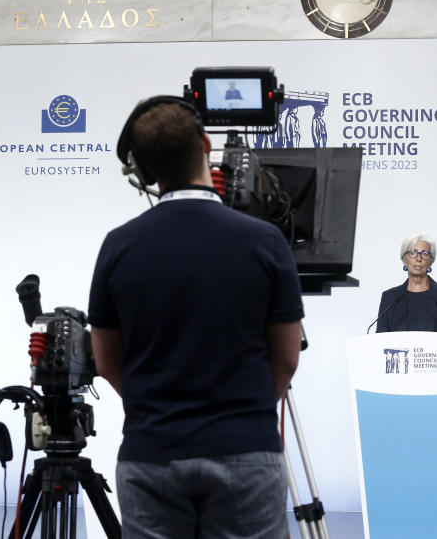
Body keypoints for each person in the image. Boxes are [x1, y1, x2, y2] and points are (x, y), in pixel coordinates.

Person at [88, 96, 304, 539]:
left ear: (144, 171)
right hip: (246, 451)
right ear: (206, 145)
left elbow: (107, 362)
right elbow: (286, 360)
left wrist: (157, 409)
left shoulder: (118, 246)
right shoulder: (265, 241)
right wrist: (245, 413)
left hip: (151, 454)